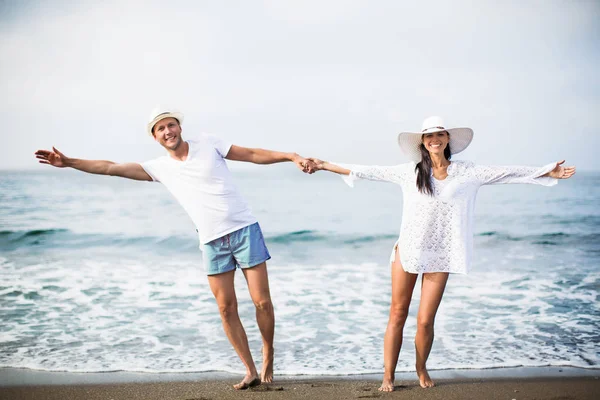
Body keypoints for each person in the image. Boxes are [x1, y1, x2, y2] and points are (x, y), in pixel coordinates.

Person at [34, 108, 314, 390]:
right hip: (211, 241)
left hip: (244, 230)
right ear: (155, 138)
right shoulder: (159, 168)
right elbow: (110, 167)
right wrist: (69, 162)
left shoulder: (208, 144)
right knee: (226, 309)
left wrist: (290, 156)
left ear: (180, 128)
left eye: (171, 125)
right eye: (161, 129)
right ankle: (250, 370)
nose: (168, 131)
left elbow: (252, 155)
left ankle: (268, 353)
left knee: (261, 302)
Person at [305, 116, 576, 392]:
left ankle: (421, 367)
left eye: (439, 134)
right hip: (408, 249)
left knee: (425, 319)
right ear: (423, 142)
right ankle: (388, 375)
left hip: (442, 254)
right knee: (397, 313)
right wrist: (324, 164)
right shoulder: (409, 171)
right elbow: (367, 170)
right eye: (428, 136)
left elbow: (505, 173)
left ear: (447, 139)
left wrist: (545, 172)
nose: (434, 139)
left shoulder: (467, 172)